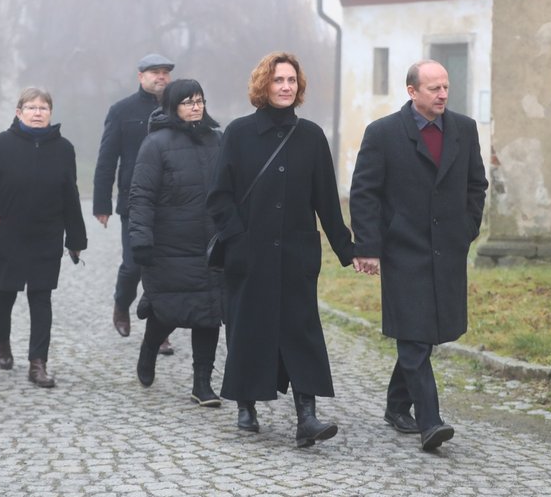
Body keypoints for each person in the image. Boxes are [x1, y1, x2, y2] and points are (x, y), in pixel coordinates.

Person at [207, 51, 357, 448]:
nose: (286, 87)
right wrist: (237, 242)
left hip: (296, 255)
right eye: (278, 80)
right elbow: (219, 197)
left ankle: (306, 416)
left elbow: (327, 199)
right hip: (249, 253)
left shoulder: (310, 136)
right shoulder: (238, 134)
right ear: (263, 86)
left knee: (300, 332)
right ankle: (245, 404)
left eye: (291, 80)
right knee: (249, 329)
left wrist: (348, 249)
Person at [349, 60, 488, 451]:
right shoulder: (383, 133)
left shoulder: (464, 129)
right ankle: (431, 422)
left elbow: (476, 184)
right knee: (412, 335)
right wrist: (369, 247)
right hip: (401, 250)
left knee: (424, 336)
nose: (443, 94)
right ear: (412, 92)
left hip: (447, 250)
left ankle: (396, 406)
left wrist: (466, 230)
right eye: (434, 89)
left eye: (446, 87)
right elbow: (364, 193)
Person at [0, 87, 87, 388]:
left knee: (41, 297)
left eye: (43, 108)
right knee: (3, 295)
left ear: (50, 113)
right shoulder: (1, 144)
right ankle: (2, 342)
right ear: (18, 111)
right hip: (5, 233)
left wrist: (76, 238)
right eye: (31, 107)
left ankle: (38, 363)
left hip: (46, 234)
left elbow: (70, 195)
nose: (37, 113)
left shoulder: (64, 149)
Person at [128, 79, 224, 406]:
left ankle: (202, 383)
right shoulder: (155, 144)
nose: (195, 106)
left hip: (211, 243)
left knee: (210, 312)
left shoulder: (217, 141)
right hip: (170, 244)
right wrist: (141, 238)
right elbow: (141, 196)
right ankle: (149, 349)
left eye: (199, 100)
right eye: (187, 101)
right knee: (167, 310)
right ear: (173, 106)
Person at [93, 53, 174, 354]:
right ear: (141, 76)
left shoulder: (179, 107)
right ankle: (121, 303)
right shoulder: (122, 110)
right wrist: (101, 202)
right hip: (133, 201)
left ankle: (160, 331)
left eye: (165, 72)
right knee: (133, 265)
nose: (161, 77)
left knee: (164, 269)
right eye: (155, 72)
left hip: (171, 202)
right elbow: (107, 159)